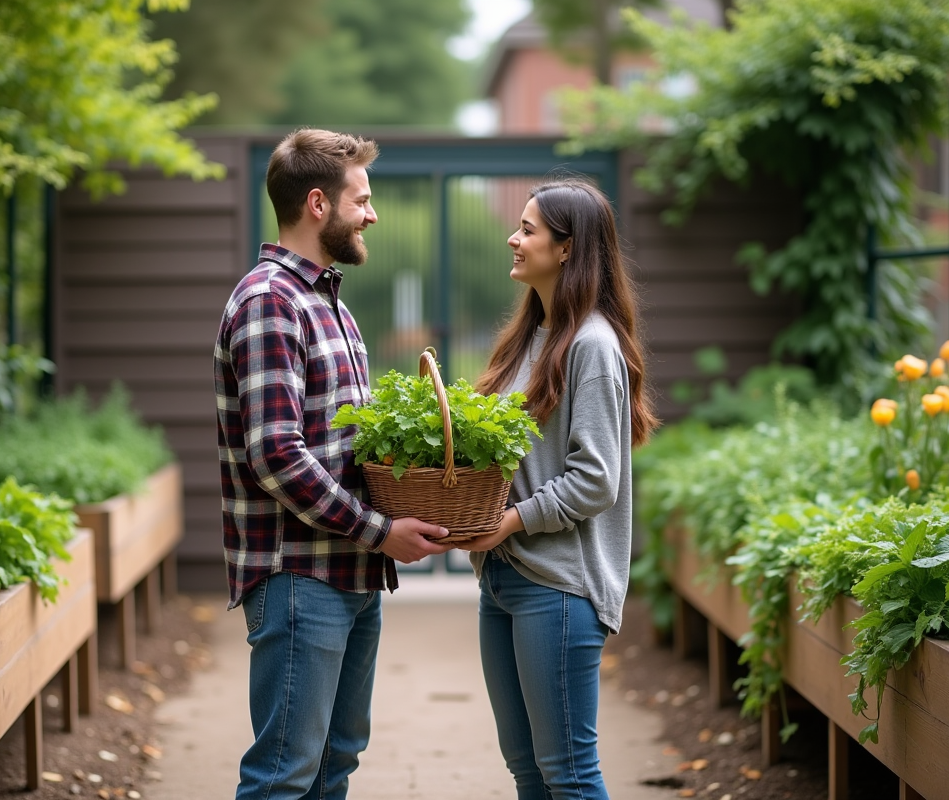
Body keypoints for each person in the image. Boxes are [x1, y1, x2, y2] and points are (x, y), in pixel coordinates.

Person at [213, 127, 452, 800]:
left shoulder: (328, 303)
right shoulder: (270, 300)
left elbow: (341, 447)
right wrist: (380, 531)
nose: (372, 213)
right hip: (300, 577)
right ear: (319, 204)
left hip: (349, 574)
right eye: (363, 199)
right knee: (284, 775)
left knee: (333, 765)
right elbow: (277, 454)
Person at [456, 177, 658, 799]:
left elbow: (597, 479)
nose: (513, 239)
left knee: (568, 772)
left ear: (567, 249)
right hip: (504, 575)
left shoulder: (592, 346)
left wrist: (512, 520)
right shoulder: (533, 335)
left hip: (560, 586)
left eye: (528, 230)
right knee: (529, 769)